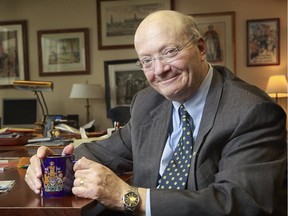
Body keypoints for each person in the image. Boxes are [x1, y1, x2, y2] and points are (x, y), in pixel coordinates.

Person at [25, 10, 287, 216]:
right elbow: (102, 151)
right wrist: (51, 163)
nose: (159, 70)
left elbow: (240, 203)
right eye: (147, 60)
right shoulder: (148, 102)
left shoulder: (251, 110)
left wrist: (127, 198)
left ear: (201, 48)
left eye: (169, 52)